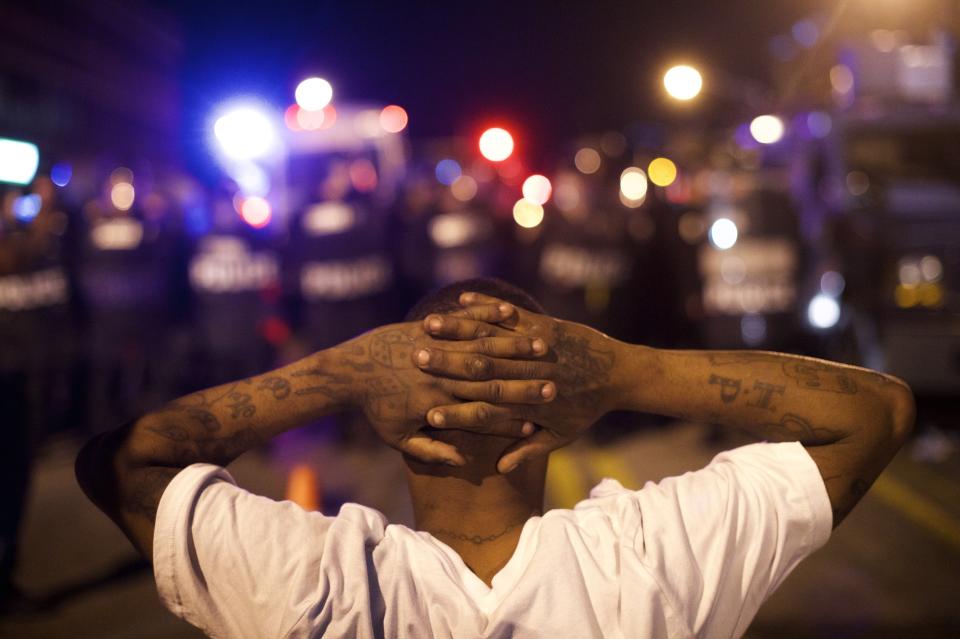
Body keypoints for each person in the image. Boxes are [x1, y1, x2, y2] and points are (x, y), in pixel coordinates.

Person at [75, 278, 914, 638]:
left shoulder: (314, 580)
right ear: (557, 415)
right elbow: (876, 412)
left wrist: (341, 370)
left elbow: (121, 463)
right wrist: (622, 368)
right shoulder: (653, 562)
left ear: (393, 420)